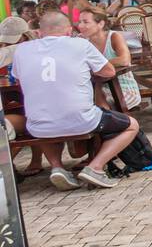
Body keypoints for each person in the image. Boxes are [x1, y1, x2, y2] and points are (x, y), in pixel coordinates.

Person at [11, 11, 140, 190]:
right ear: (69, 31)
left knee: (42, 121)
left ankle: (57, 167)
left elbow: (18, 81)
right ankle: (95, 167)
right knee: (131, 125)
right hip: (82, 120)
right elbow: (109, 72)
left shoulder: (22, 50)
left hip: (39, 127)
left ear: (39, 33)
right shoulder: (80, 44)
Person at [77, 7, 142, 111]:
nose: (80, 26)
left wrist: (98, 65)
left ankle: (106, 122)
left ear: (101, 24)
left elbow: (125, 60)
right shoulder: (83, 42)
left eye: (86, 22)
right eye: (79, 22)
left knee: (96, 101)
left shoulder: (114, 37)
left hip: (124, 90)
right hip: (96, 89)